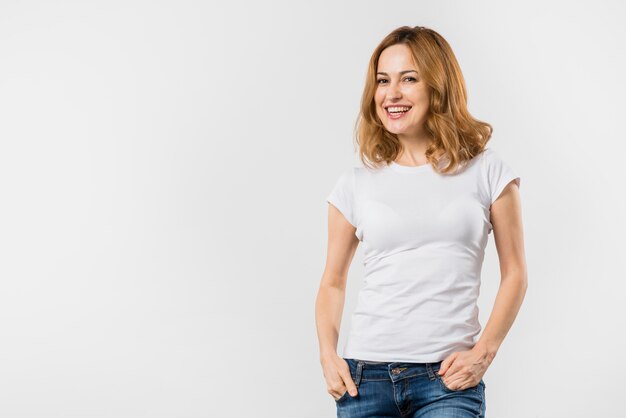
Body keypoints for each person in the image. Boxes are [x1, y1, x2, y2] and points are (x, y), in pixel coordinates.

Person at [315, 26, 527, 418]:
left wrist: (485, 351)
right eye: (383, 81)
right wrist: (328, 356)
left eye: (408, 79)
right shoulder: (355, 184)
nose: (391, 94)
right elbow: (332, 281)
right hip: (365, 380)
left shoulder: (488, 171)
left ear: (438, 86)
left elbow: (515, 273)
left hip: (447, 382)